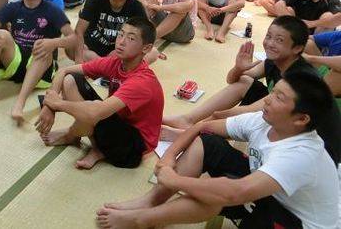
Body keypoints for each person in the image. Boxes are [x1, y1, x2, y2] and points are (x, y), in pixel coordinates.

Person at [97, 72, 339, 229]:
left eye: (279, 98)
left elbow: (234, 192)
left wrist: (175, 179)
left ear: (301, 119)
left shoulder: (300, 154)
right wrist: (168, 159)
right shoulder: (264, 120)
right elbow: (202, 128)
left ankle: (141, 220)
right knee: (208, 144)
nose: (267, 99)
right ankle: (150, 202)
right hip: (268, 190)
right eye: (273, 92)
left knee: (218, 193)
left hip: (296, 220)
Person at [161, 16, 341, 169]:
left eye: (279, 40)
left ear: (297, 48)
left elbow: (247, 111)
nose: (270, 43)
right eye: (269, 36)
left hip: (313, 147)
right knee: (245, 82)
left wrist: (213, 120)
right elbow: (233, 80)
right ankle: (187, 120)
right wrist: (239, 68)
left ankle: (190, 132)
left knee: (226, 118)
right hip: (287, 120)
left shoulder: (299, 78)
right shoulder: (274, 61)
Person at [36, 18, 164, 170]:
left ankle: (72, 136)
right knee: (70, 80)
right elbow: (64, 71)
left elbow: (95, 112)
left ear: (146, 48)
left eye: (131, 38)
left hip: (133, 149)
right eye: (121, 34)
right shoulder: (115, 62)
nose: (121, 42)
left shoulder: (141, 82)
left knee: (94, 108)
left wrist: (56, 104)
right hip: (117, 124)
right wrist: (48, 108)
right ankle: (97, 148)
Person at [72, 0, 148, 62]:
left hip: (118, 51)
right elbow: (79, 31)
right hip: (91, 48)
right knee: (70, 46)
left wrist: (122, 50)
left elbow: (145, 35)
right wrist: (79, 58)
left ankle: (101, 65)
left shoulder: (136, 7)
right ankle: (106, 66)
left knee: (152, 52)